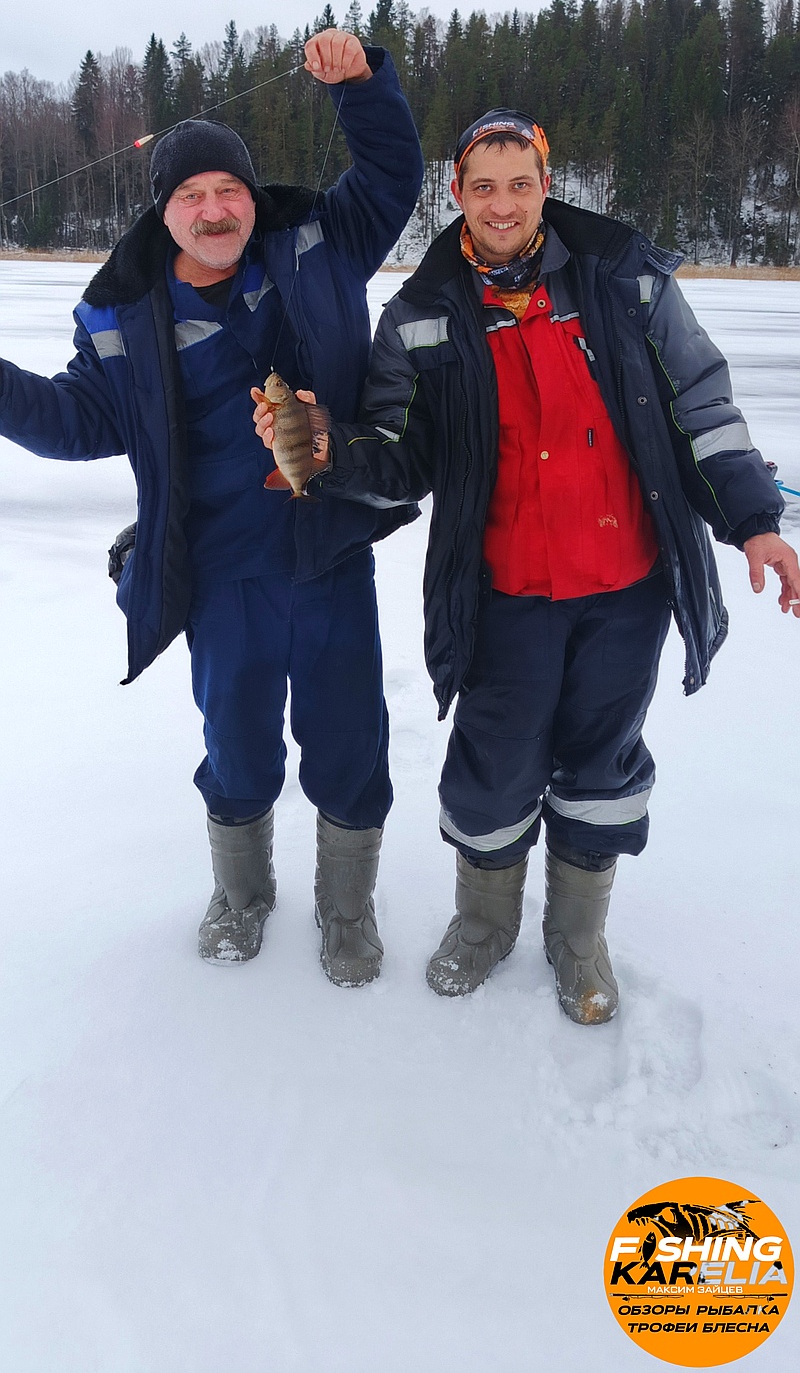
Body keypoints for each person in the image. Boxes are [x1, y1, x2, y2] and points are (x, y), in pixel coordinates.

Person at [257, 108, 800, 1022]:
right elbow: (402, 456)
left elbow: (700, 403)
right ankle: (485, 924)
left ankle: (577, 937)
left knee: (601, 764)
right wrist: (329, 447)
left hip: (626, 593)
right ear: (457, 196)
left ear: (546, 185)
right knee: (494, 768)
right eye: (481, 186)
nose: (502, 205)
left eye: (520, 184)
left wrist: (755, 519)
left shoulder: (624, 278)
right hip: (504, 597)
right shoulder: (423, 315)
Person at [0, 29, 423, 984]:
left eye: (228, 189)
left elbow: (392, 176)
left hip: (327, 548)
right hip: (221, 569)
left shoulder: (315, 242)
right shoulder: (119, 312)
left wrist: (362, 86)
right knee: (235, 741)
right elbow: (75, 419)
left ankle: (347, 906)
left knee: (351, 734)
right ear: (165, 212)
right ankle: (241, 893)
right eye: (190, 195)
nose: (214, 208)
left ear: (250, 194)